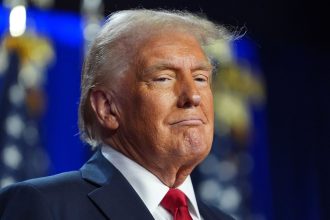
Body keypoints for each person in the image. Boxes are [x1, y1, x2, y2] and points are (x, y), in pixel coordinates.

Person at [0, 9, 235, 220]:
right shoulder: (45, 206)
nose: (193, 96)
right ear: (107, 108)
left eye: (200, 78)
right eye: (163, 78)